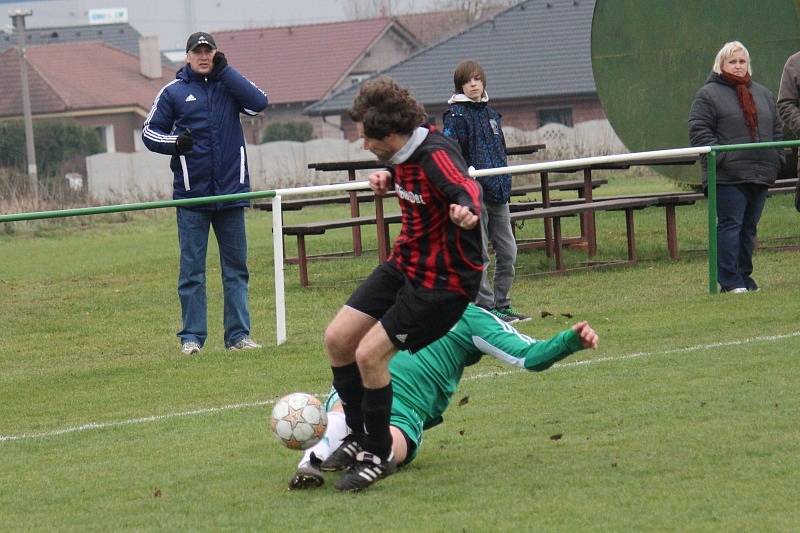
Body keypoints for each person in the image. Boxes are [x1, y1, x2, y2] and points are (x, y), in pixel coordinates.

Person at [323, 76, 484, 491]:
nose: (363, 146)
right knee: (338, 339)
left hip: (443, 282)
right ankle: (359, 437)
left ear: (391, 134)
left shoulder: (436, 153)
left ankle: (377, 455)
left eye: (366, 138)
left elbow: (466, 185)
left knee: (370, 355)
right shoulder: (401, 154)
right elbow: (412, 182)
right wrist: (387, 179)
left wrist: (467, 209)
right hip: (405, 264)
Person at [290, 304, 598, 490]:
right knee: (347, 406)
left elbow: (528, 356)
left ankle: (360, 449)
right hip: (359, 391)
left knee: (388, 441)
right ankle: (311, 462)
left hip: (405, 412)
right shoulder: (395, 293)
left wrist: (568, 341)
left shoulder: (472, 319)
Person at [142, 32, 268, 355]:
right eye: (196, 51)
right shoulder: (173, 92)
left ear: (215, 54)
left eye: (208, 50)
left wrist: (226, 72)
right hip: (192, 198)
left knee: (236, 269)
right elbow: (149, 132)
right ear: (186, 56)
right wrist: (175, 143)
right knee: (192, 273)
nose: (202, 56)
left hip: (231, 195)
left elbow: (259, 103)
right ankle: (192, 339)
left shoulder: (229, 85)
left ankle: (238, 337)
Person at [688, 41, 783, 293]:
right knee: (731, 226)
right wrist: (724, 160)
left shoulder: (763, 94)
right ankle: (730, 281)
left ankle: (744, 277)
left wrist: (777, 158)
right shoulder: (707, 95)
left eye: (742, 61)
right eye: (733, 62)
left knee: (749, 229)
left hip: (760, 172)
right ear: (721, 65)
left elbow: (777, 130)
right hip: (727, 176)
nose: (738, 66)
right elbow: (699, 132)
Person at [443, 60, 529, 324]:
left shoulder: (492, 115)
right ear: (460, 86)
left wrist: (505, 180)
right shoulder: (455, 117)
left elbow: (500, 153)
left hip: (499, 192)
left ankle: (503, 303)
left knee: (508, 251)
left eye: (477, 79)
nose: (473, 84)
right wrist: (463, 189)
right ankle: (485, 307)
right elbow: (451, 155)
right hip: (474, 196)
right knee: (479, 254)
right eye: (468, 81)